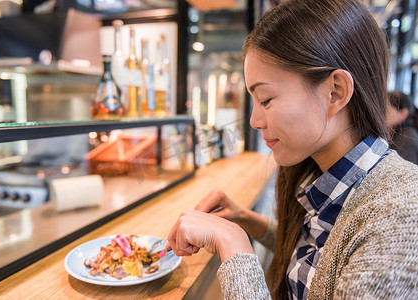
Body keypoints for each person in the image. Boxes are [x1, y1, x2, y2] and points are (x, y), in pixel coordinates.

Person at [166, 0, 418, 299]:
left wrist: (233, 243)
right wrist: (246, 219)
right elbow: (322, 256)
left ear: (335, 91)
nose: (255, 121)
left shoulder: (401, 214)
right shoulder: (328, 180)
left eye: (267, 99)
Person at [386, 91, 418, 164]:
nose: (381, 115)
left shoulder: (405, 139)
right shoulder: (403, 133)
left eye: (386, 111)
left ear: (403, 113)